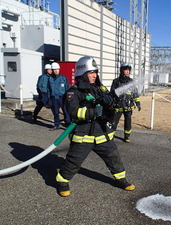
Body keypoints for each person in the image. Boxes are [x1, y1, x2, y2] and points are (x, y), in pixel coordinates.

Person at [56, 56, 135, 197]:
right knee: (74, 161)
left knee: (113, 156)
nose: (94, 75)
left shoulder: (100, 88)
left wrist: (110, 104)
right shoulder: (73, 92)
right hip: (83, 135)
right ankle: (62, 181)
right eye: (91, 72)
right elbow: (74, 113)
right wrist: (93, 111)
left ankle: (120, 179)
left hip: (101, 133)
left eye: (96, 72)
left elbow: (108, 108)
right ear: (82, 73)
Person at [110, 62, 141, 143]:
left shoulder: (131, 82)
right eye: (126, 70)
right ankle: (111, 136)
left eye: (129, 70)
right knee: (114, 121)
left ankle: (126, 136)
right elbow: (112, 93)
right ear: (121, 71)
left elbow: (135, 93)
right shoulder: (116, 81)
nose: (128, 71)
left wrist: (138, 103)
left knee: (128, 121)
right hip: (118, 105)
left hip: (128, 105)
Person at [48, 62, 71, 130]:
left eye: (57, 69)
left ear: (59, 69)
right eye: (54, 69)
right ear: (52, 70)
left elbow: (67, 88)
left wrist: (68, 98)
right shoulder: (50, 79)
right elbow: (48, 89)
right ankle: (56, 125)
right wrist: (49, 98)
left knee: (65, 111)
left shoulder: (63, 78)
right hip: (54, 98)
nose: (56, 71)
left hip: (62, 97)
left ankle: (67, 124)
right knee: (55, 112)